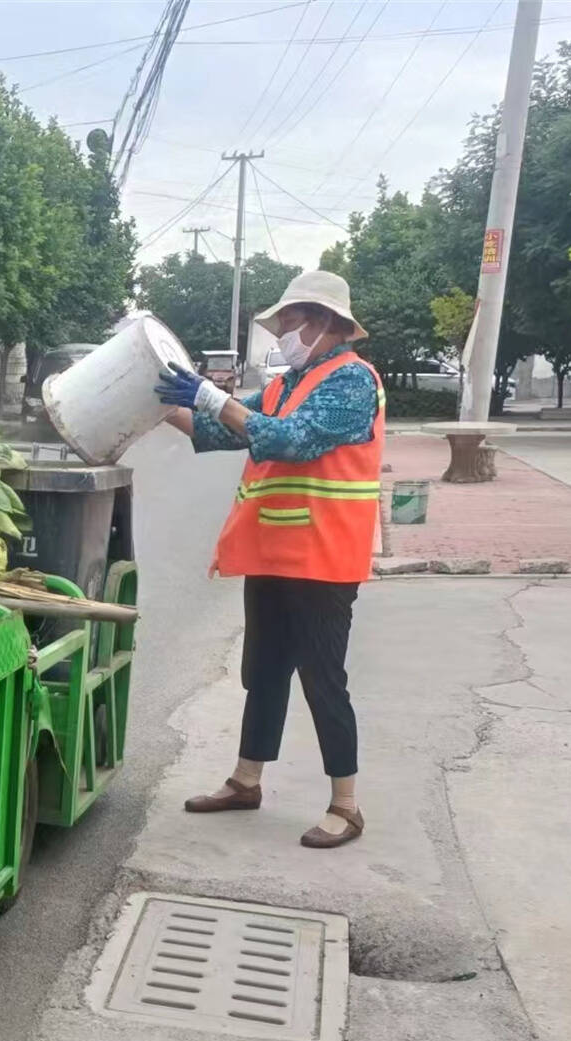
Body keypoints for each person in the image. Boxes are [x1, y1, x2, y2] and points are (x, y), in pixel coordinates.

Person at [153, 270, 383, 849]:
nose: (281, 333)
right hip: (275, 555)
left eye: (289, 322)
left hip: (324, 560)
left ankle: (346, 805)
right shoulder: (286, 385)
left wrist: (211, 395)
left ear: (325, 323)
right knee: (264, 672)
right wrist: (155, 405)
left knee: (323, 680)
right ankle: (246, 781)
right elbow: (222, 429)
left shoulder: (352, 382)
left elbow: (289, 440)